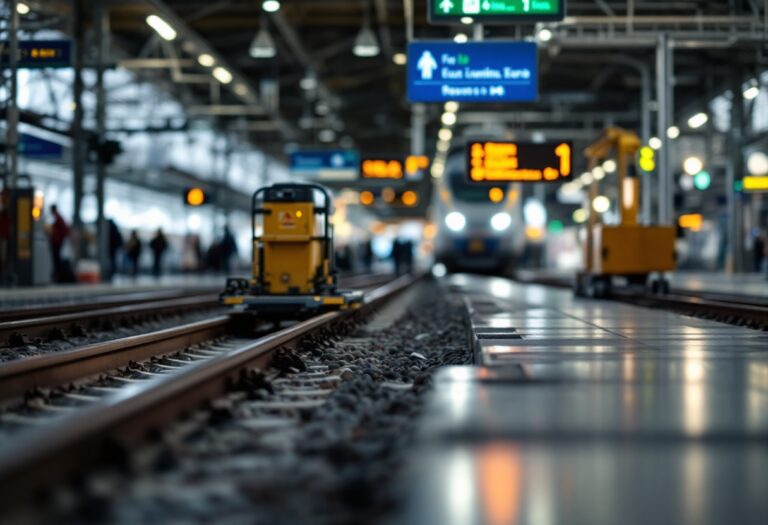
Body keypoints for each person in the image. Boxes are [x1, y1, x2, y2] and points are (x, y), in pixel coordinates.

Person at [49, 204, 70, 282]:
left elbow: (63, 231)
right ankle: (59, 276)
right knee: (57, 260)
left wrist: (59, 240)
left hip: (57, 242)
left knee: (57, 260)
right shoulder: (58, 218)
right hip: (58, 242)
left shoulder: (58, 218)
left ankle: (60, 277)